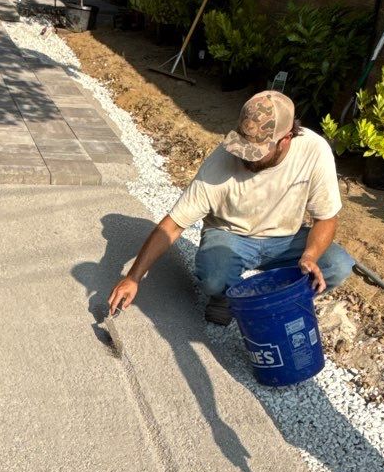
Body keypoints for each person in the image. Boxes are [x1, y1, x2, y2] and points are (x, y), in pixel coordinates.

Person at [108, 89, 355, 322]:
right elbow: (173, 225)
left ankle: (276, 299)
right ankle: (225, 298)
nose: (245, 156)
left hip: (286, 240)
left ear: (286, 139)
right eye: (243, 146)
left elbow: (326, 218)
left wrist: (310, 256)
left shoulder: (314, 151)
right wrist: (133, 277)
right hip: (231, 236)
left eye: (256, 152)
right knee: (214, 279)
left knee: (337, 265)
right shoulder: (221, 162)